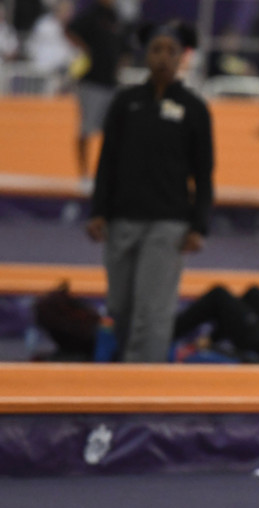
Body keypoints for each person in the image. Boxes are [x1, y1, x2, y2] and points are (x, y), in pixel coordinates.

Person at [85, 20, 213, 363]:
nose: (163, 57)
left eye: (171, 51)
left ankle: (143, 388)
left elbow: (203, 174)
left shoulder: (194, 108)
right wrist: (98, 211)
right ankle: (122, 373)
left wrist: (198, 225)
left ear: (182, 57)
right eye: (157, 49)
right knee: (120, 308)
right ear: (146, 54)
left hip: (168, 224)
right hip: (122, 219)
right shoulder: (125, 102)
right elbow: (106, 161)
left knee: (152, 312)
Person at [65, 0, 128, 181]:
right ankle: (83, 173)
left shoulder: (116, 17)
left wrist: (120, 63)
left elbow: (123, 45)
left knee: (112, 129)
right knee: (86, 127)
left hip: (111, 82)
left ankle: (106, 171)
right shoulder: (91, 14)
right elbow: (70, 29)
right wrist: (85, 49)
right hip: (91, 81)